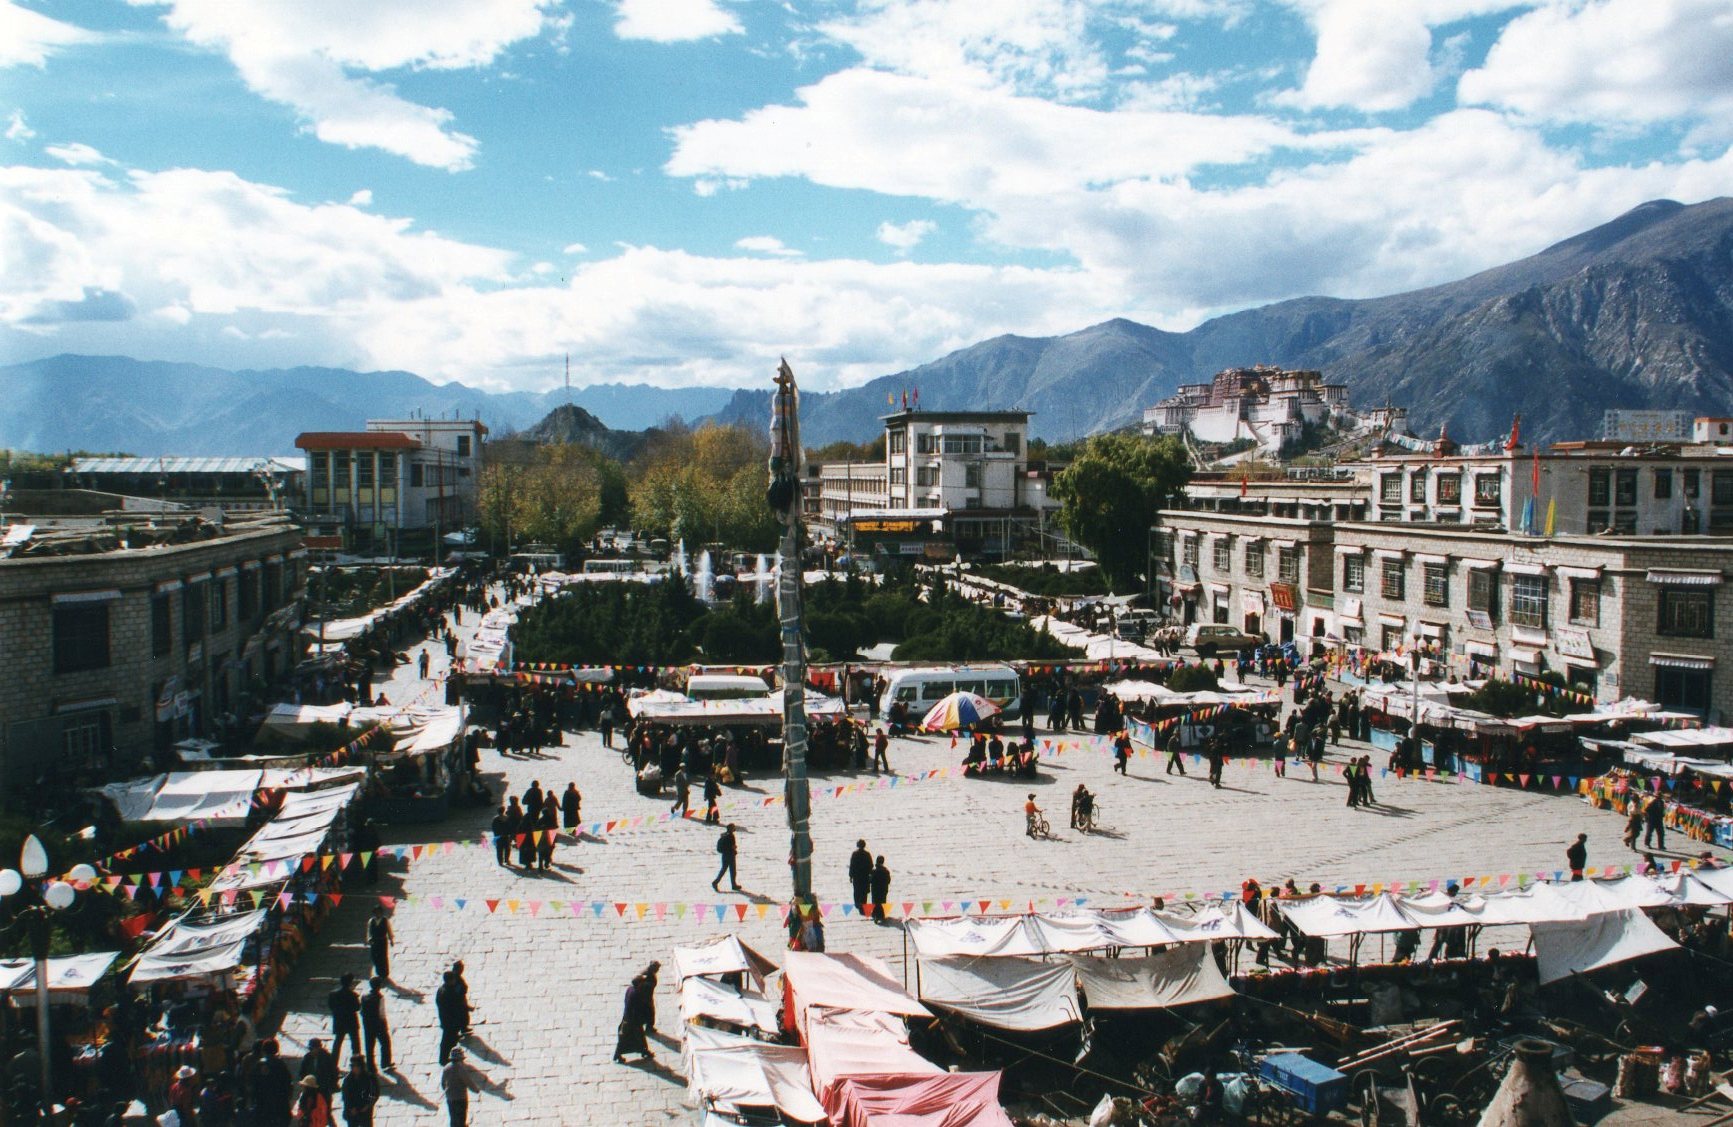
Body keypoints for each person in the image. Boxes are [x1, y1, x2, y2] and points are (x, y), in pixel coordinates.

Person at [613, 975, 655, 1064]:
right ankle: (617, 1055)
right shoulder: (636, 994)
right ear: (639, 984)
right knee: (625, 1038)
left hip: (629, 1017)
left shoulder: (630, 989)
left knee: (639, 1037)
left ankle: (644, 1051)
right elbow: (637, 1008)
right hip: (633, 1020)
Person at [328, 974, 362, 1069]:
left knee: (338, 1043)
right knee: (355, 1043)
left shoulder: (333, 994)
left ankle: (333, 1063)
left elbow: (331, 1006)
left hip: (339, 1022)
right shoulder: (352, 995)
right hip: (351, 1021)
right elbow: (357, 1007)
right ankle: (357, 1063)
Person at [361, 977, 392, 1072]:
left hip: (367, 1025)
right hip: (378, 1025)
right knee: (385, 1043)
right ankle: (385, 1063)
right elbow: (382, 1014)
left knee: (369, 1046)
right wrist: (385, 1025)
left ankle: (371, 1066)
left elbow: (362, 1011)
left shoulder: (364, 996)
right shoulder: (380, 998)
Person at [441, 1047, 477, 1127]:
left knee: (453, 1115)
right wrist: (476, 1090)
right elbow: (468, 1081)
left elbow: (443, 1082)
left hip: (450, 1097)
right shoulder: (460, 1069)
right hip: (460, 1097)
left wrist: (445, 1089)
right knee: (461, 1115)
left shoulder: (446, 1067)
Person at [435, 972, 465, 1066]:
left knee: (451, 1039)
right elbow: (455, 1004)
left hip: (448, 1020)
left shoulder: (442, 990)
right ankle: (443, 1059)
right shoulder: (447, 992)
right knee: (447, 1041)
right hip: (450, 1021)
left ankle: (448, 1056)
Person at [338, 1057, 376, 1127]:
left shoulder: (369, 1078)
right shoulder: (348, 1080)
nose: (355, 1068)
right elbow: (345, 1096)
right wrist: (350, 1108)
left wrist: (368, 1105)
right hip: (352, 1111)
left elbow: (374, 1093)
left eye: (357, 1066)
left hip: (364, 1110)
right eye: (352, 1066)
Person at [366, 907, 393, 981]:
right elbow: (369, 931)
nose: (378, 914)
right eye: (376, 913)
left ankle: (384, 974)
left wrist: (391, 939)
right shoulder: (371, 921)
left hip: (382, 941)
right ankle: (378, 972)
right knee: (375, 957)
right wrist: (369, 939)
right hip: (374, 941)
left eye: (379, 912)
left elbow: (389, 930)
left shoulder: (385, 920)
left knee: (383, 957)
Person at [712, 823, 739, 891]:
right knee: (733, 870)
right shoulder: (731, 836)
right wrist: (734, 849)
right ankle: (733, 885)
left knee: (723, 870)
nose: (734, 828)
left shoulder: (724, 835)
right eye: (733, 827)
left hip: (724, 855)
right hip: (730, 855)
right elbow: (732, 846)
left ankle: (716, 882)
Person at [848, 840, 873, 915]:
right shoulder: (867, 854)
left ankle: (857, 903)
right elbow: (871, 865)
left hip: (856, 876)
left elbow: (852, 866)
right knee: (864, 892)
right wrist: (870, 873)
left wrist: (851, 876)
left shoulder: (854, 854)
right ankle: (863, 905)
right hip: (865, 876)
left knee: (857, 890)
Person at [870, 855, 891, 923]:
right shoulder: (886, 871)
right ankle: (881, 915)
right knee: (882, 902)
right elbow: (888, 880)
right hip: (883, 889)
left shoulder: (874, 871)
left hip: (875, 890)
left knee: (875, 903)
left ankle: (876, 915)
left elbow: (870, 880)